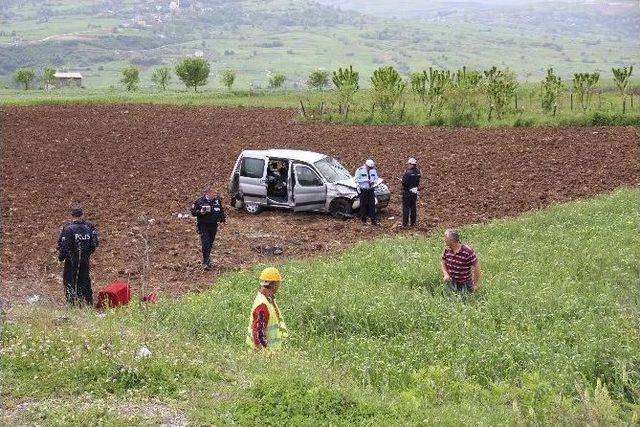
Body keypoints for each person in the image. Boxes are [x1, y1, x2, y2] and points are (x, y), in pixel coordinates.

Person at [57, 207, 98, 305]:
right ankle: (87, 302)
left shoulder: (68, 228)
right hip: (85, 259)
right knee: (84, 279)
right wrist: (87, 254)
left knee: (69, 280)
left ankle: (71, 304)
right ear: (82, 214)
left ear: (72, 216)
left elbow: (64, 245)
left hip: (71, 260)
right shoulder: (89, 227)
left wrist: (61, 257)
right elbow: (94, 244)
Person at [246, 267, 289, 350]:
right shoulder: (262, 304)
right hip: (264, 355)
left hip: (272, 353)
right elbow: (258, 333)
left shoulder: (269, 299)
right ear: (273, 284)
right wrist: (265, 352)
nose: (278, 286)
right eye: (277, 283)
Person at [191, 187, 226, 270]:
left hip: (213, 225)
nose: (215, 195)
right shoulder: (199, 201)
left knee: (210, 243)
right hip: (203, 225)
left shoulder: (217, 201)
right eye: (214, 193)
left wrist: (223, 221)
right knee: (205, 242)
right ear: (208, 193)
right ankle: (205, 262)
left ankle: (207, 259)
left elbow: (220, 211)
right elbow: (193, 212)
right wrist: (200, 212)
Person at [440, 228, 481, 293]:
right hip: (451, 282)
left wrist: (475, 284)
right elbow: (443, 262)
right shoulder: (447, 249)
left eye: (445, 238)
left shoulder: (467, 251)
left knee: (465, 301)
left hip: (465, 284)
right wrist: (445, 274)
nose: (444, 239)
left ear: (451, 240)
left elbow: (477, 267)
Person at [354, 159, 380, 225]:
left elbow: (376, 178)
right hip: (363, 190)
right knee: (363, 205)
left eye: (371, 168)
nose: (370, 169)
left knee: (372, 205)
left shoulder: (373, 170)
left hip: (371, 189)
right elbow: (356, 180)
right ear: (366, 165)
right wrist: (366, 180)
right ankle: (364, 221)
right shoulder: (360, 170)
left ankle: (373, 221)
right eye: (369, 168)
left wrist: (374, 181)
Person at [401, 157, 421, 227]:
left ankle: (405, 223)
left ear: (412, 164)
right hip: (414, 191)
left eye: (409, 164)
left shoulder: (407, 173)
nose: (408, 165)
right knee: (413, 207)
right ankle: (413, 222)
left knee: (406, 208)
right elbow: (417, 182)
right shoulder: (418, 172)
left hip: (407, 192)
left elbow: (404, 183)